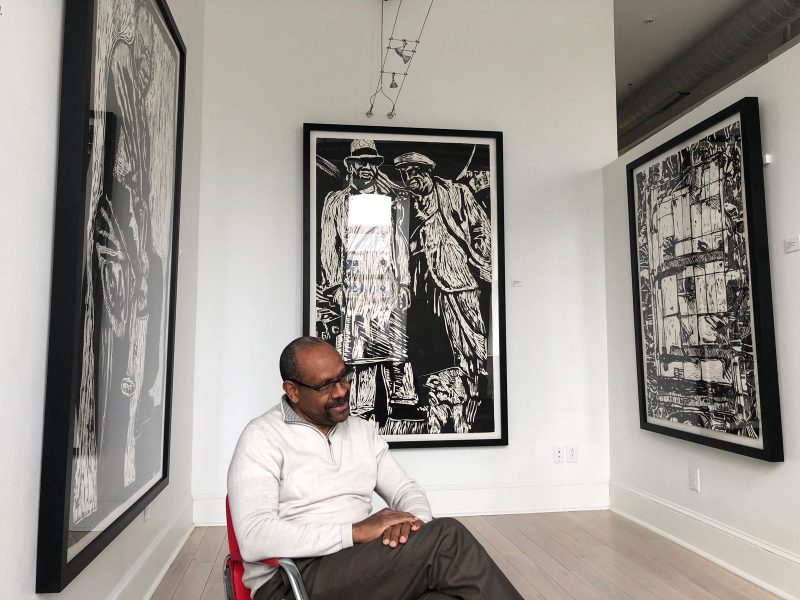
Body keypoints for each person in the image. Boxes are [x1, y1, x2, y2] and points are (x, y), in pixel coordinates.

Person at [228, 336, 523, 599]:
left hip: (360, 564)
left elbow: (406, 490)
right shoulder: (261, 437)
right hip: (292, 579)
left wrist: (412, 525)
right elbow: (255, 537)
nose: (342, 391)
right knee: (447, 538)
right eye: (325, 385)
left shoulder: (361, 432)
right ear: (292, 390)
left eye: (344, 377)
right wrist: (355, 532)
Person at [318, 139, 418, 428]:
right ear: (350, 165)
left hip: (387, 283)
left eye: (372, 162)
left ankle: (403, 402)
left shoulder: (390, 199)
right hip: (356, 285)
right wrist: (336, 284)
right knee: (359, 347)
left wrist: (404, 282)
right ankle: (362, 407)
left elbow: (399, 243)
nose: (367, 168)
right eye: (361, 162)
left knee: (396, 345)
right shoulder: (336, 201)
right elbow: (328, 244)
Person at [394, 152, 492, 405]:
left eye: (415, 171)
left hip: (458, 278)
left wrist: (479, 256)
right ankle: (442, 396)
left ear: (428, 171)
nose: (410, 177)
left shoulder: (456, 192)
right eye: (405, 173)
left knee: (470, 336)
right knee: (430, 340)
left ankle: (478, 388)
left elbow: (481, 226)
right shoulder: (402, 204)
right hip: (419, 282)